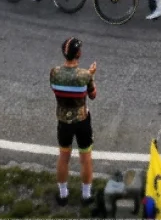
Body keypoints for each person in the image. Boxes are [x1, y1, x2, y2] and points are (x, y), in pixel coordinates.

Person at [51, 37, 97, 206]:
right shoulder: (84, 75)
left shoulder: (54, 72)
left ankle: (63, 194)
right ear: (78, 53)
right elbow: (92, 95)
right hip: (82, 120)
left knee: (64, 157)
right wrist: (91, 76)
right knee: (85, 158)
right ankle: (86, 195)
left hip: (63, 121)